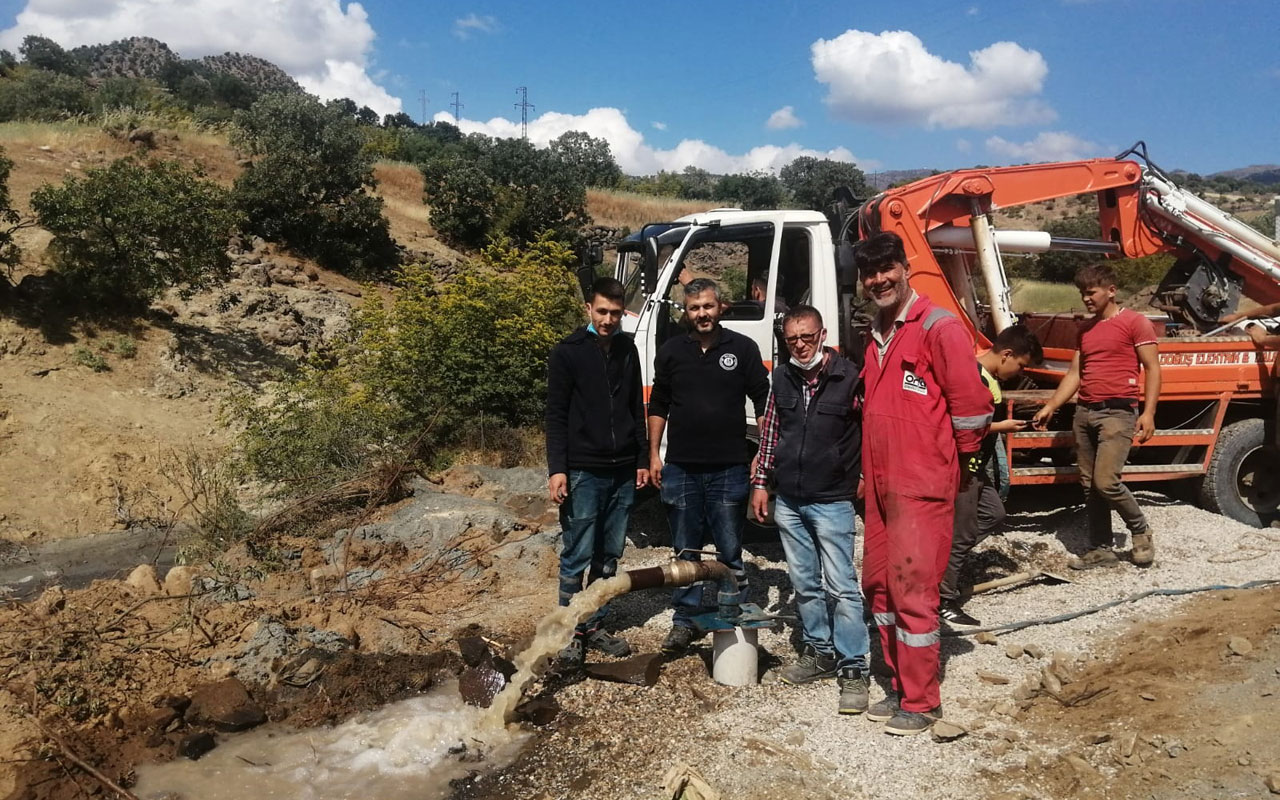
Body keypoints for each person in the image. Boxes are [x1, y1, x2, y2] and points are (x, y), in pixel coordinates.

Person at [857, 231, 992, 736]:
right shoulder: (875, 334)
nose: (879, 280)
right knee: (879, 586)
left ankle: (922, 702)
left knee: (913, 590)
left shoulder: (939, 327)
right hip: (882, 489)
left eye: (886, 268)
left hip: (922, 486)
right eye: (870, 273)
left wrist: (966, 472)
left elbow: (973, 410)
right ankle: (897, 686)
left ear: (904, 267)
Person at [749, 305, 871, 715]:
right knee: (804, 583)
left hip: (832, 500)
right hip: (791, 499)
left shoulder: (849, 377)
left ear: (822, 336)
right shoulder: (781, 377)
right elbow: (770, 432)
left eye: (807, 336)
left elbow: (872, 430)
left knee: (842, 587)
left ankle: (853, 667)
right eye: (792, 339)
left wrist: (866, 476)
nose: (800, 345)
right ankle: (819, 651)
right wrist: (762, 483)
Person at [648, 278, 771, 654]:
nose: (701, 313)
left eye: (707, 306)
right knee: (685, 551)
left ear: (721, 307)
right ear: (685, 312)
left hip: (730, 467)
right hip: (681, 466)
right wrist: (654, 454)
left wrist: (763, 455)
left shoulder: (743, 348)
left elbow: (764, 401)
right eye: (694, 307)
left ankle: (733, 616)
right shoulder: (671, 351)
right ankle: (684, 620)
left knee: (729, 548)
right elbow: (659, 404)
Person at [545, 277, 650, 667]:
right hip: (583, 471)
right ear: (588, 309)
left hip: (622, 469)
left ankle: (595, 623)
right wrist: (558, 469)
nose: (608, 320)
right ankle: (569, 630)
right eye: (602, 311)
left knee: (608, 556)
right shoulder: (567, 353)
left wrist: (641, 458)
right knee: (577, 554)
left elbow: (635, 407)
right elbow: (555, 416)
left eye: (616, 313)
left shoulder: (627, 348)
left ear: (624, 313)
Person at [1032, 264, 1161, 569]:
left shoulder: (1135, 323)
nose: (1086, 298)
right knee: (1090, 486)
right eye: (1082, 293)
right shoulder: (1085, 330)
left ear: (1111, 290)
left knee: (1106, 481)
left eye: (1091, 292)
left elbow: (1153, 369)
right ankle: (1102, 547)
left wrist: (1149, 413)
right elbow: (1076, 373)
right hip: (1085, 413)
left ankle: (1140, 530)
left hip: (1118, 412)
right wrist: (1051, 405)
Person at [939, 325, 1044, 629]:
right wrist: (1003, 427)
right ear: (1007, 354)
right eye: (1021, 365)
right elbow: (958, 424)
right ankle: (943, 598)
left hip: (977, 469)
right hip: (964, 468)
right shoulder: (972, 376)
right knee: (961, 534)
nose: (1020, 371)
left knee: (994, 513)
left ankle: (944, 563)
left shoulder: (990, 379)